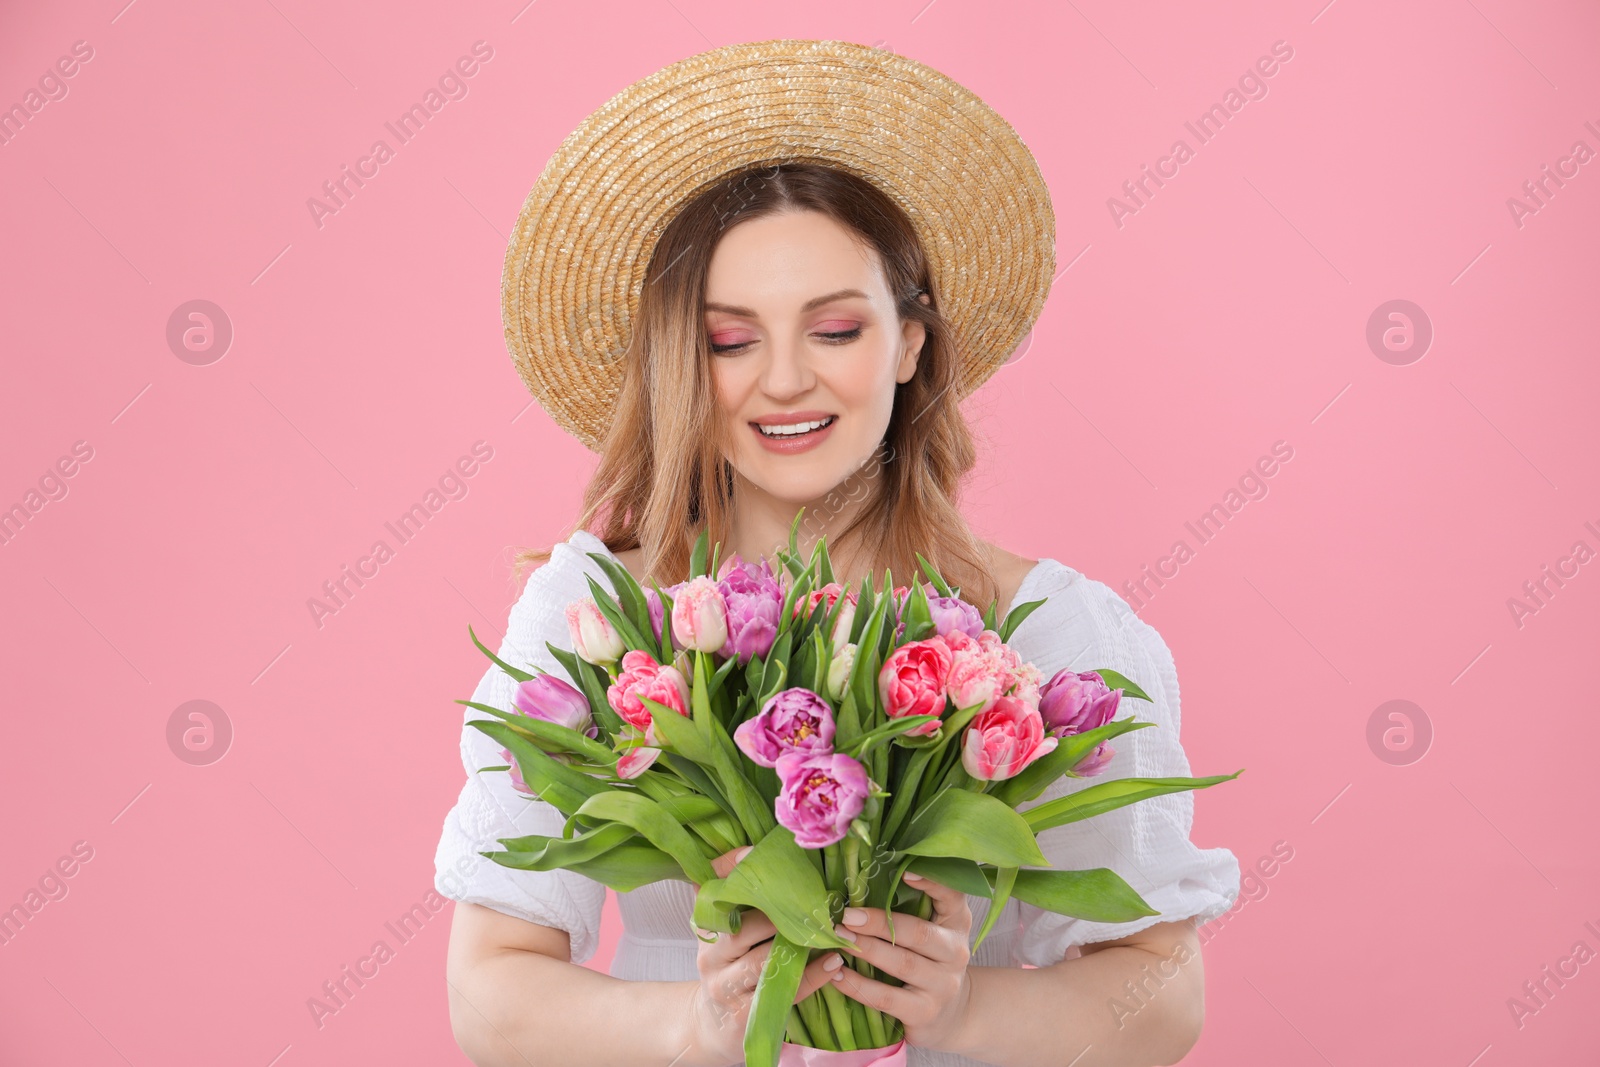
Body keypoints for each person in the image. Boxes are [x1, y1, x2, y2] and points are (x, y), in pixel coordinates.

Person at [434, 39, 1240, 1067]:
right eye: (730, 340)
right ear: (684, 358)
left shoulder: (1048, 633)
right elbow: (489, 990)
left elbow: (1162, 990)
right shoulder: (600, 621)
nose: (782, 381)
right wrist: (701, 1023)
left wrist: (957, 1013)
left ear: (908, 344)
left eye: (834, 330)